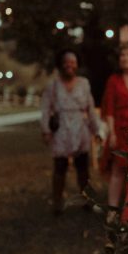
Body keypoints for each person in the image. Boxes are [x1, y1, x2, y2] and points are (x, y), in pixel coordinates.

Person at [40, 50, 103, 215]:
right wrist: (46, 130)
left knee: (83, 168)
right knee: (59, 167)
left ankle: (87, 201)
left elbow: (90, 108)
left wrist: (96, 130)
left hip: (80, 127)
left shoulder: (83, 83)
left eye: (73, 62)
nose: (70, 65)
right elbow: (46, 109)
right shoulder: (53, 85)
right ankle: (57, 203)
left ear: (77, 65)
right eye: (66, 61)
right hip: (61, 128)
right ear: (61, 64)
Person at [100, 45, 128, 209]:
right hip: (119, 130)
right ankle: (112, 208)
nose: (125, 58)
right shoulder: (113, 80)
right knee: (118, 170)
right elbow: (109, 109)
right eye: (122, 55)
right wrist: (112, 133)